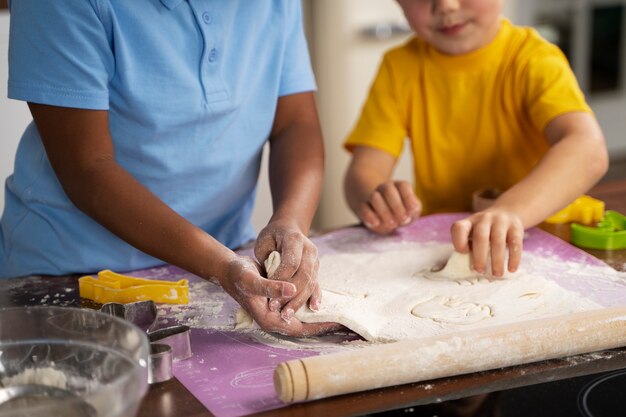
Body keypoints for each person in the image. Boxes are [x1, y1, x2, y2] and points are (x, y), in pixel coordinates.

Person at [0, 0, 337, 337]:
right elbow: (87, 168)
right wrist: (222, 267)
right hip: (69, 280)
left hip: (223, 267)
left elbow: (295, 125)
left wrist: (290, 223)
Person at [344, 0, 608, 277]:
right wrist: (376, 200)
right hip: (441, 245)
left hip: (538, 238)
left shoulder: (533, 58)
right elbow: (363, 172)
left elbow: (587, 149)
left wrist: (510, 211)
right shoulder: (398, 67)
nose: (445, 6)